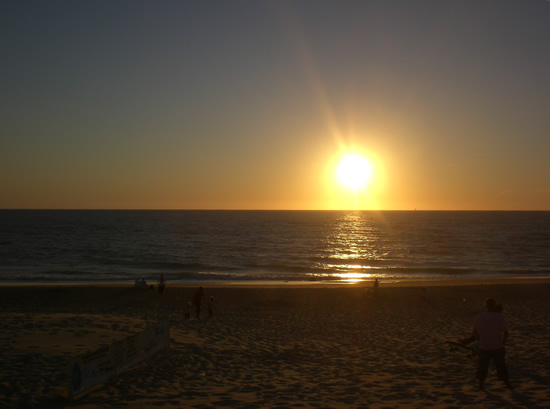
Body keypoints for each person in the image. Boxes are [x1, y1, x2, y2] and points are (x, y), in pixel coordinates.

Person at [472, 298, 512, 390]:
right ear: (494, 306)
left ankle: (481, 385)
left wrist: (480, 339)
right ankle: (508, 384)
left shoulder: (480, 316)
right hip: (497, 346)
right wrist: (503, 342)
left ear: (486, 306)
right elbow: (505, 332)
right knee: (501, 366)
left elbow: (474, 331)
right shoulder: (499, 317)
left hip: (485, 346)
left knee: (483, 366)